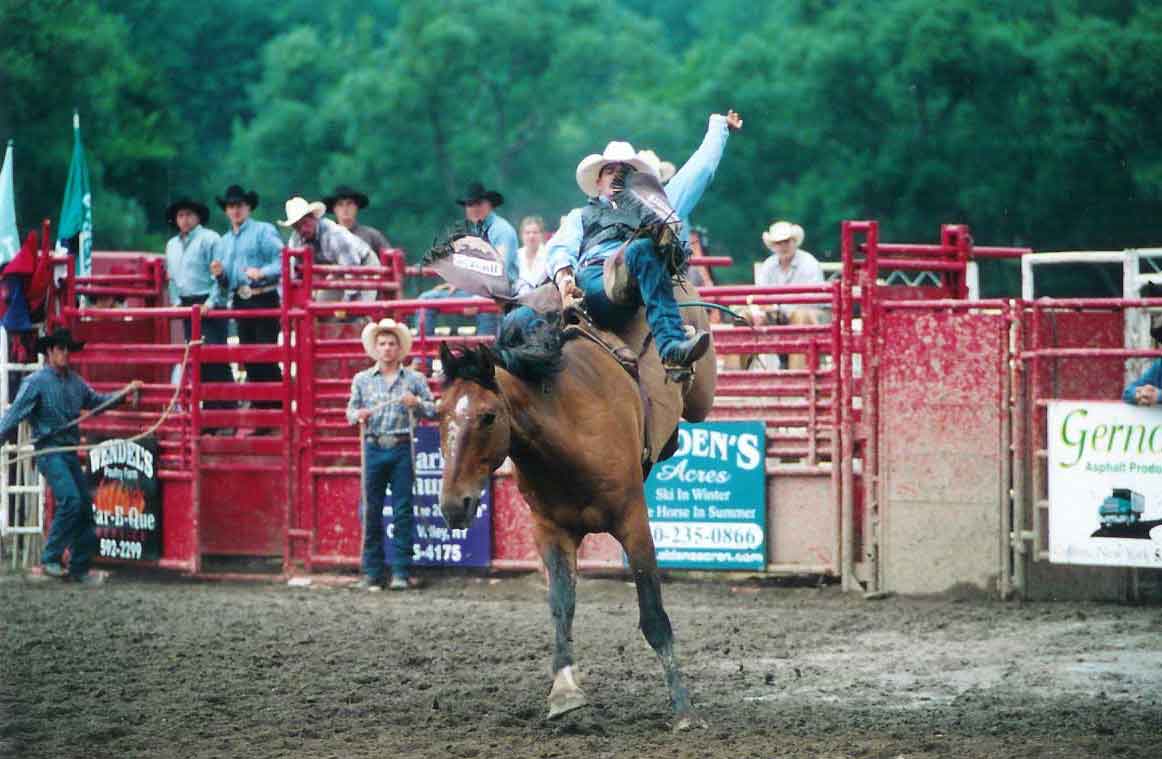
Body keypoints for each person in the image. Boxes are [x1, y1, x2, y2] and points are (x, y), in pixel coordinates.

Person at [546, 110, 743, 367]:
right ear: (598, 180)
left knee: (644, 249)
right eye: (611, 171)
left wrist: (719, 128)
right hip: (597, 280)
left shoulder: (658, 205)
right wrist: (565, 279)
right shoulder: (580, 215)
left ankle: (672, 347)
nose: (618, 176)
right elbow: (560, 248)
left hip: (641, 274)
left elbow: (698, 172)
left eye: (625, 171)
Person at [0, 329, 142, 584]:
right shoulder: (35, 382)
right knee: (70, 500)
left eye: (67, 349)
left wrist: (123, 394)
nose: (65, 353)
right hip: (50, 450)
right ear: (50, 352)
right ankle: (50, 559)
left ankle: (79, 568)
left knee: (84, 508)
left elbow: (97, 402)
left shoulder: (76, 382)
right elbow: (14, 415)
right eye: (60, 348)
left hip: (67, 452)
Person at [346, 319, 436, 591]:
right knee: (370, 510)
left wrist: (416, 403)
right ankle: (372, 572)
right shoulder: (361, 380)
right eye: (382, 344)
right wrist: (357, 415)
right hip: (373, 446)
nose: (387, 349)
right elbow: (350, 412)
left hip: (400, 448)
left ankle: (400, 572)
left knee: (402, 511)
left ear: (399, 349)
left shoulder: (415, 379)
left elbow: (433, 410)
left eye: (391, 344)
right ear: (375, 348)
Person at [209, 184, 285, 426]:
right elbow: (227, 282)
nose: (235, 210)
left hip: (264, 296)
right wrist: (220, 275)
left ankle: (275, 411)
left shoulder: (263, 231)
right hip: (241, 300)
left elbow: (283, 261)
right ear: (226, 211)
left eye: (239, 205)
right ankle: (264, 416)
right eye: (231, 206)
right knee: (250, 357)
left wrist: (261, 272)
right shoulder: (224, 241)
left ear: (248, 207)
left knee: (265, 354)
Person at [163, 197, 234, 426]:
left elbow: (218, 273)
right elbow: (172, 278)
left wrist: (211, 303)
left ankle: (224, 415)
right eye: (180, 215)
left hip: (207, 304)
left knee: (215, 360)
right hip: (187, 304)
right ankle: (209, 418)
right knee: (197, 361)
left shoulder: (210, 239)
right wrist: (176, 301)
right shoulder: (171, 245)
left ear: (198, 217)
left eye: (188, 215)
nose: (184, 220)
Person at [416, 182, 517, 336]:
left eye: (478, 203)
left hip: (498, 294)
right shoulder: (472, 230)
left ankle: (488, 354)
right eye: (469, 204)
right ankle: (421, 358)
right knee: (425, 300)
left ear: (489, 204)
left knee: (485, 307)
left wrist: (476, 295)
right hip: (476, 292)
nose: (474, 208)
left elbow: (499, 271)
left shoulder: (502, 231)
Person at [751, 220, 825, 371]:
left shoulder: (809, 263)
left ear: (794, 242)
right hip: (778, 316)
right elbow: (761, 296)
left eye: (786, 241)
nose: (783, 246)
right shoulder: (768, 265)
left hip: (810, 316)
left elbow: (812, 301)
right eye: (779, 242)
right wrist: (762, 311)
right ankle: (732, 378)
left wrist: (775, 308)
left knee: (801, 316)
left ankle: (796, 376)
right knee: (744, 318)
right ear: (773, 246)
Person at [281, 196, 378, 303]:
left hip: (363, 264)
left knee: (360, 307)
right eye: (297, 227)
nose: (302, 229)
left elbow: (352, 266)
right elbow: (293, 272)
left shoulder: (333, 234)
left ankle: (361, 316)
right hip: (337, 269)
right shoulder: (296, 240)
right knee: (321, 306)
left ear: (314, 218)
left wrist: (349, 298)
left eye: (305, 223)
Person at [323, 185, 391, 254]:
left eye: (349, 203)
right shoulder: (325, 238)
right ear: (334, 209)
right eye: (340, 204)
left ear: (356, 207)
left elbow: (391, 259)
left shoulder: (372, 236)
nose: (345, 209)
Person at [515, 216, 550, 296]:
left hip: (543, 303)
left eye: (535, 232)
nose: (531, 236)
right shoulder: (516, 256)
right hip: (518, 302)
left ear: (542, 235)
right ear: (521, 236)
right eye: (527, 233)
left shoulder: (549, 255)